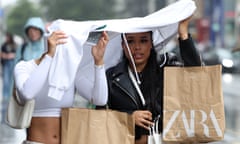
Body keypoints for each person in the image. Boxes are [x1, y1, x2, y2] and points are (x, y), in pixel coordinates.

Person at [97, 15, 202, 144]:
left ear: (151, 43)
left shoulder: (167, 66)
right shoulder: (112, 77)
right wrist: (128, 117)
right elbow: (99, 116)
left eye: (143, 40)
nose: (137, 47)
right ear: (123, 45)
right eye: (130, 41)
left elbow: (196, 75)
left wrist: (183, 33)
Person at [13, 30, 109, 144]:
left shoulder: (71, 71)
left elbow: (100, 99)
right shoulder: (24, 67)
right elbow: (27, 93)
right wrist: (49, 56)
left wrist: (99, 61)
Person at [1, 32, 17, 122]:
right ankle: (5, 96)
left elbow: (16, 54)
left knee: (11, 79)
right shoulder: (4, 45)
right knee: (6, 80)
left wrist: (11, 56)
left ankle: (10, 94)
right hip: (6, 63)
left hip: (12, 63)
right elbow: (1, 53)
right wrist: (5, 56)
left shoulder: (14, 45)